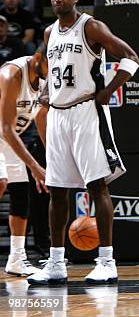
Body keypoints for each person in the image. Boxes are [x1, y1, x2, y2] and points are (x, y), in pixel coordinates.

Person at [27, 0, 139, 285]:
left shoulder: (91, 27)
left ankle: (106, 261)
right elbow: (48, 69)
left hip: (87, 112)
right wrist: (46, 92)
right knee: (57, 190)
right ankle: (55, 262)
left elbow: (131, 58)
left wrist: (109, 91)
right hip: (58, 116)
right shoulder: (50, 32)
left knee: (97, 187)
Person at [0, 52, 47, 276]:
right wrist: (35, 167)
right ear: (38, 58)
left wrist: (51, 155)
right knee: (1, 182)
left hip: (10, 138)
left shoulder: (47, 77)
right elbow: (6, 129)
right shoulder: (11, 75)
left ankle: (16, 259)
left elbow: (40, 116)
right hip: (5, 132)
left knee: (21, 193)